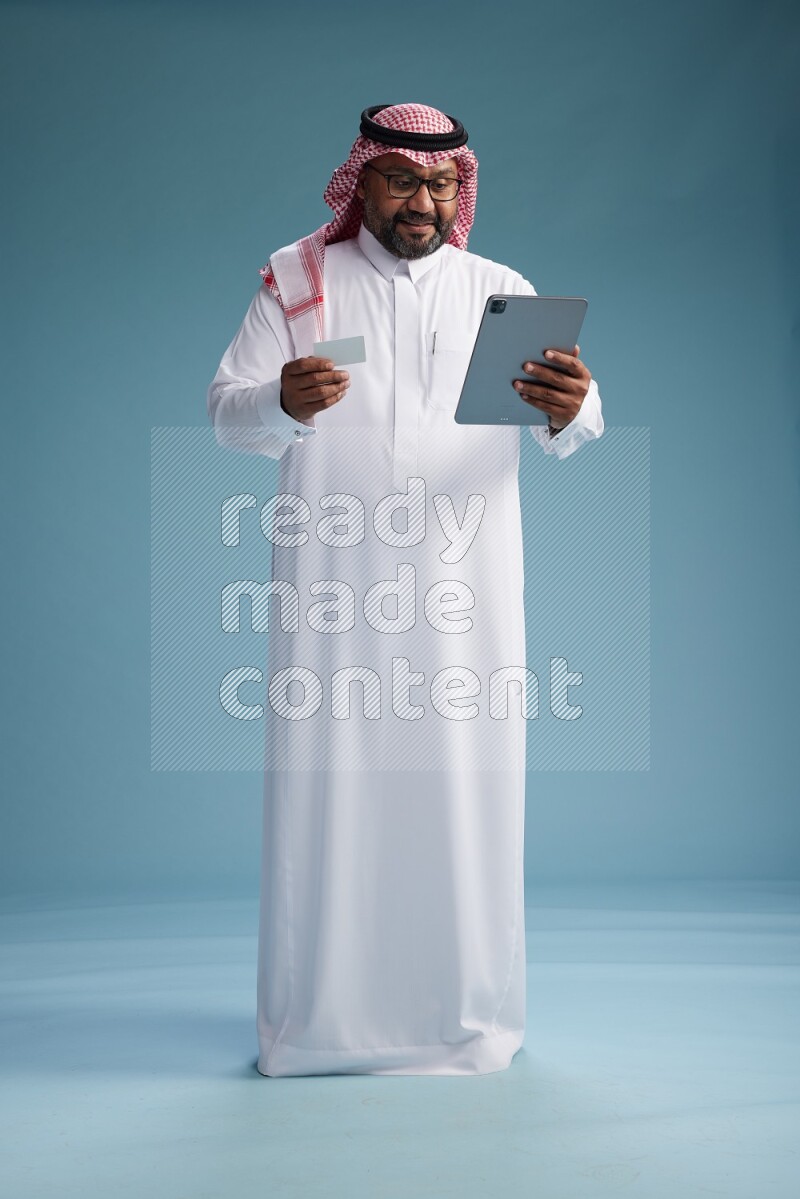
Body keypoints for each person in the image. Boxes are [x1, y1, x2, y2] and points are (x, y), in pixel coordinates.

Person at [207, 103, 604, 1077]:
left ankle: (463, 1024)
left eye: (440, 184)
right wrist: (280, 401)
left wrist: (576, 406)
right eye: (398, 180)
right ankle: (314, 1029)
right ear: (361, 182)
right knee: (327, 794)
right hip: (333, 594)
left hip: (465, 595)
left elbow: (573, 420)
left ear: (459, 189)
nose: (421, 201)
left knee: (463, 796)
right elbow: (227, 411)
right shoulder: (299, 281)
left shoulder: (499, 290)